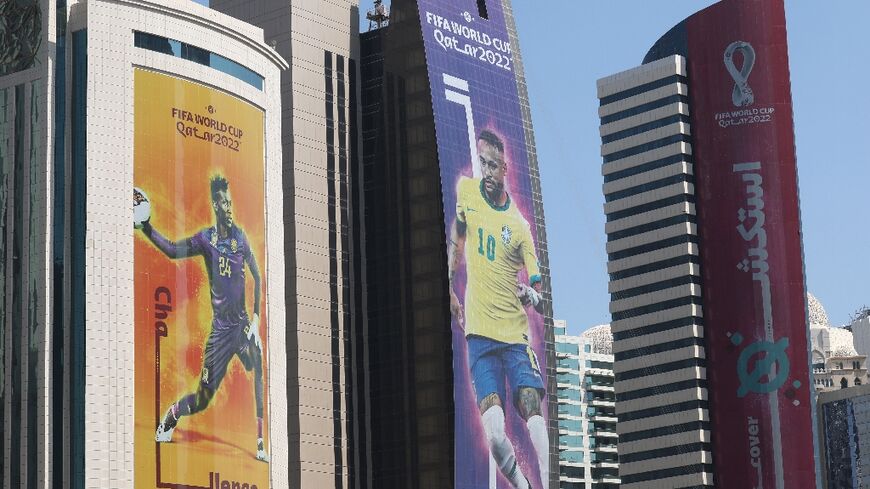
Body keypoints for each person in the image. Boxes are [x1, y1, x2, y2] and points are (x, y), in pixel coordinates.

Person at [137, 176, 268, 463]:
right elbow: (173, 250)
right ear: (215, 206)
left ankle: (260, 442)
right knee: (202, 400)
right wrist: (146, 227)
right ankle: (172, 415)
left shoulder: (240, 239)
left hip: (242, 326)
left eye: (230, 202)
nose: (229, 207)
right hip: (221, 335)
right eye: (224, 203)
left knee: (258, 360)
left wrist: (256, 321)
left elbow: (258, 277)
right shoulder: (206, 240)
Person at [447, 130, 549, 489]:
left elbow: (541, 293)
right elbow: (457, 237)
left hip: (515, 338)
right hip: (479, 336)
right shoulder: (467, 192)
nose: (487, 171)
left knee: (531, 408)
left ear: (505, 168)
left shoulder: (520, 227)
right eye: (483, 163)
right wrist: (449, 286)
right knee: (493, 433)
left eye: (493, 165)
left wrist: (532, 295)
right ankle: (523, 485)